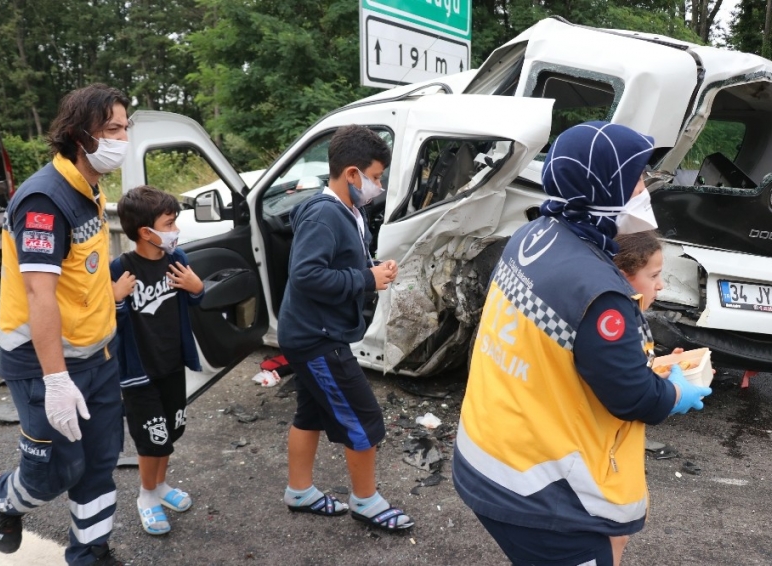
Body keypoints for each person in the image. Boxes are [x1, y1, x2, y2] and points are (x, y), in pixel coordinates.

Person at [452, 121, 713, 566]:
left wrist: (639, 362)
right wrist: (673, 392)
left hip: (487, 455)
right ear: (606, 187)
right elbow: (631, 396)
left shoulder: (532, 236)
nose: (646, 187)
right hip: (539, 493)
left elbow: (559, 351)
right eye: (637, 179)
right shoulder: (599, 290)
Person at [0, 84, 130, 566]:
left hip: (98, 358)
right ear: (78, 135)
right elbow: (38, 294)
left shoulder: (88, 188)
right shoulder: (43, 201)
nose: (122, 138)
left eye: (125, 128)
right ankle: (4, 498)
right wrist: (55, 379)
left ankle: (91, 554)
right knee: (56, 471)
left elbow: (78, 280)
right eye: (112, 129)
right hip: (44, 364)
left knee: (100, 466)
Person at [277, 124, 414, 532]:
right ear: (351, 174)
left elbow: (340, 261)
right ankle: (366, 502)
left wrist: (372, 268)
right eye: (374, 177)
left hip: (313, 332)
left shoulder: (347, 210)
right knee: (365, 418)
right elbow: (306, 275)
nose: (378, 185)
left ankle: (299, 491)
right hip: (316, 338)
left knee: (312, 412)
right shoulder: (324, 214)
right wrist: (366, 280)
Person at [109, 185, 204, 536]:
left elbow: (194, 300)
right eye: (169, 222)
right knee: (151, 439)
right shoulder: (120, 269)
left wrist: (197, 287)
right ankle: (146, 497)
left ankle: (161, 486)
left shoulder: (178, 261)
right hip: (139, 374)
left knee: (171, 431)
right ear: (145, 232)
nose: (175, 229)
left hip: (171, 365)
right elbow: (106, 323)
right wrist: (116, 299)